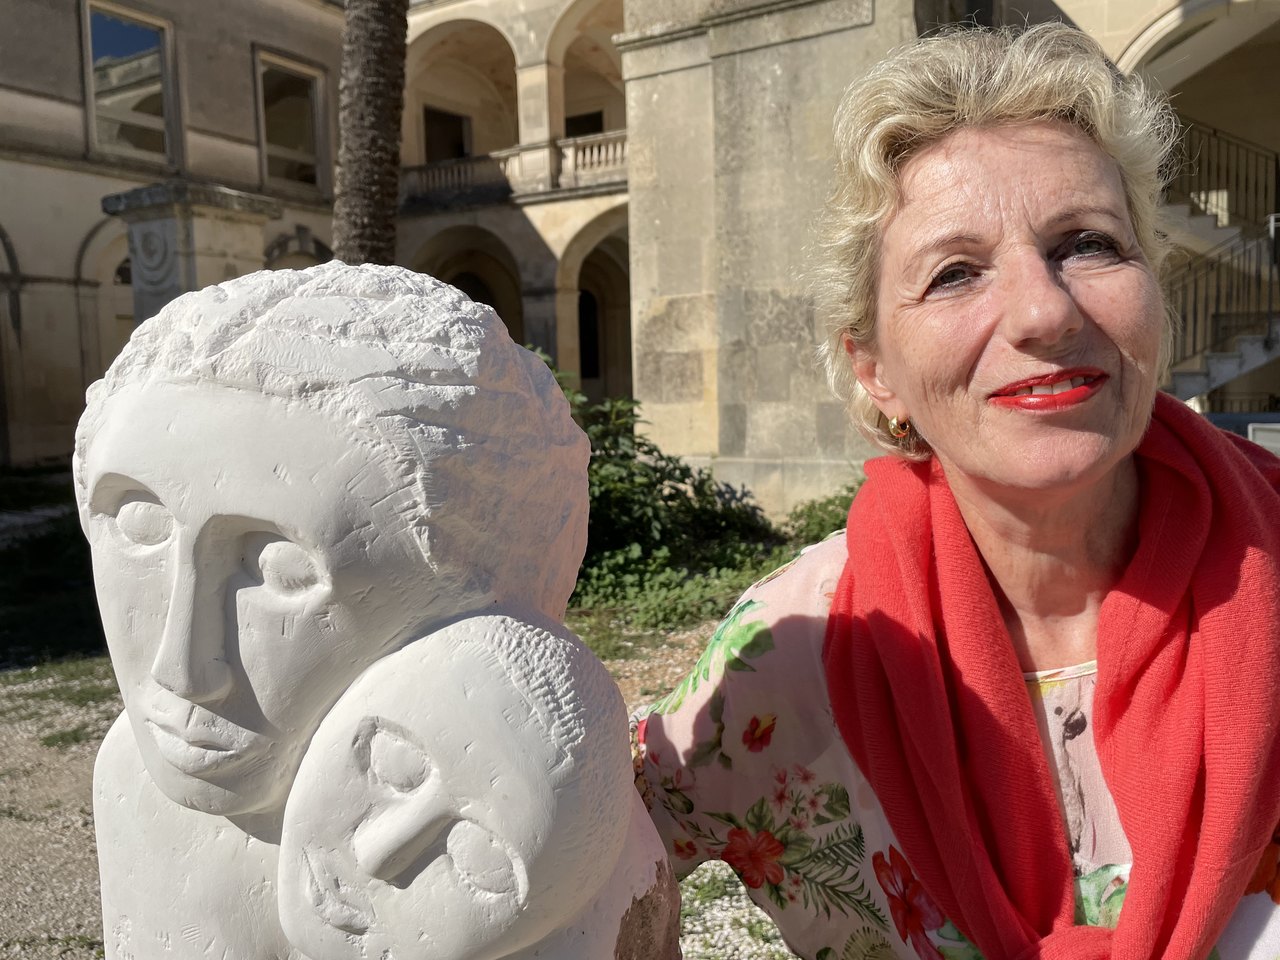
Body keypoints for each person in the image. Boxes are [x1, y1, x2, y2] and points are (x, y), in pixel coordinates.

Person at [634, 23, 1280, 960]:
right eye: (955, 273)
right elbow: (576, 867)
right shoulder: (793, 651)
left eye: (1089, 244)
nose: (1045, 311)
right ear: (875, 373)